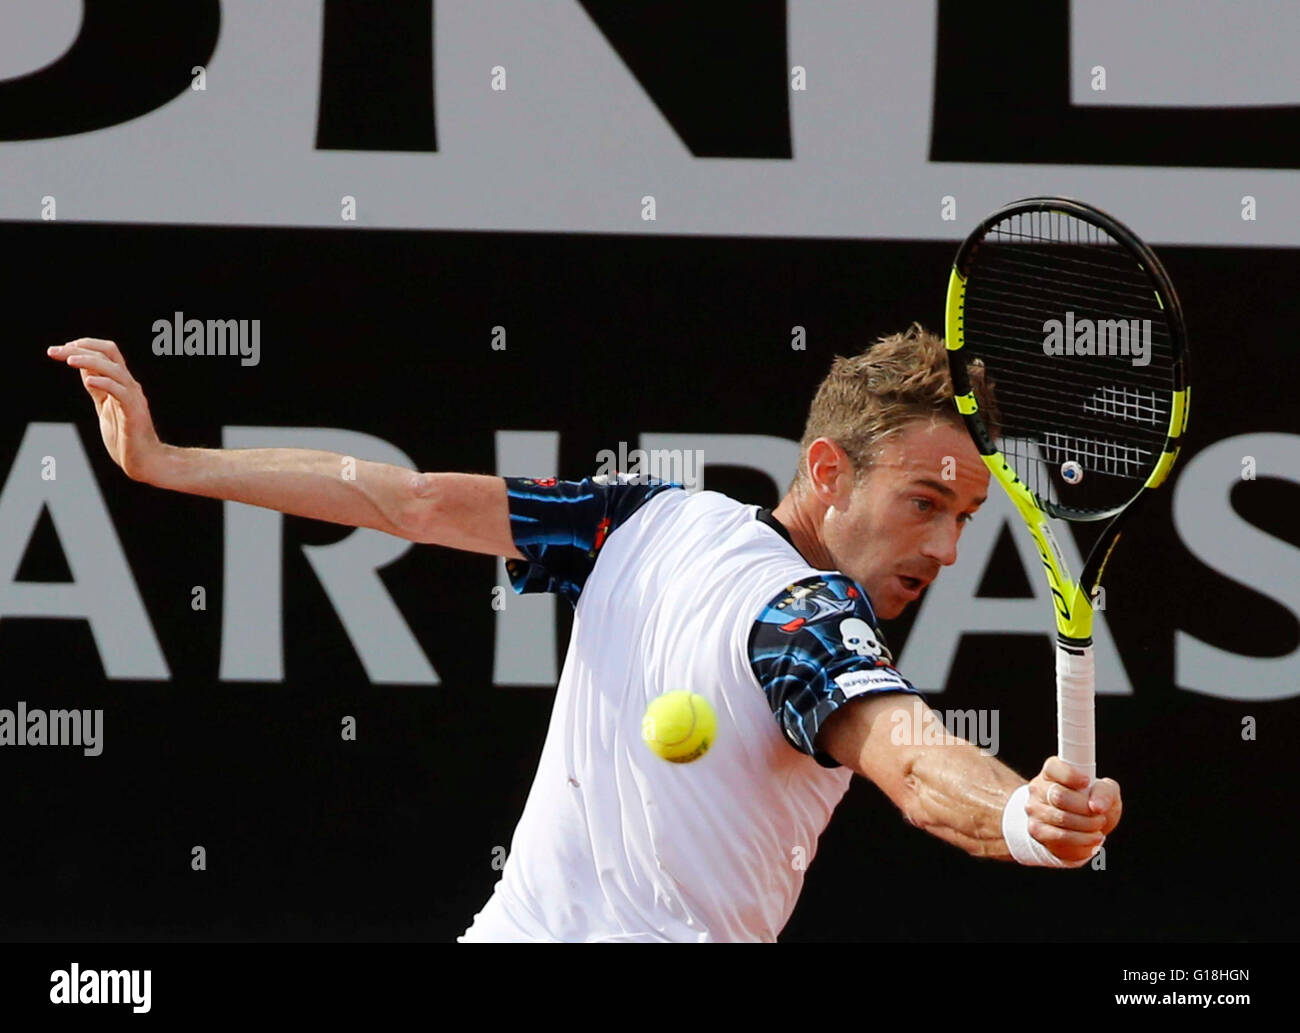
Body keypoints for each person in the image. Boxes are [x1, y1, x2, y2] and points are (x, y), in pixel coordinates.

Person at [47, 324, 1122, 943]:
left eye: (965, 518)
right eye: (924, 504)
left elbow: (407, 500)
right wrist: (1024, 814)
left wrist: (169, 461)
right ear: (828, 473)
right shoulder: (806, 615)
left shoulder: (645, 517)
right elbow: (909, 757)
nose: (943, 548)